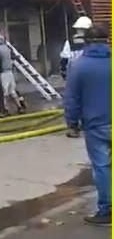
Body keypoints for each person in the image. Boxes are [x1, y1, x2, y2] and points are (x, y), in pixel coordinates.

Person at [63, 24, 111, 226]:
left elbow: (71, 98)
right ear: (108, 40)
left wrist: (72, 124)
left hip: (96, 125)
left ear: (87, 41)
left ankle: (108, 211)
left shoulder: (79, 66)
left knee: (102, 168)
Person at [0, 35, 26, 114]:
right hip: (10, 72)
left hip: (3, 73)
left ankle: (5, 109)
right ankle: (19, 107)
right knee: (12, 91)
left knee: (3, 93)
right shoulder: (7, 48)